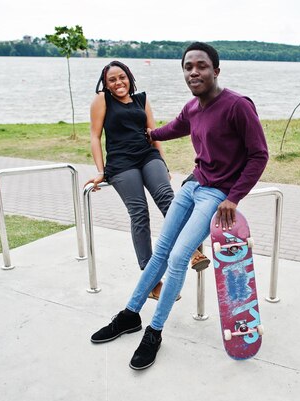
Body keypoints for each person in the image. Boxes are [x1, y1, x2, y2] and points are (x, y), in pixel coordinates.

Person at [90, 42, 269, 370]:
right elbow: (171, 128)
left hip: (216, 195)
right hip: (192, 186)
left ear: (215, 70)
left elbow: (259, 155)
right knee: (160, 253)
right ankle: (130, 314)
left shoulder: (237, 106)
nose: (194, 72)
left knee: (177, 257)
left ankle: (154, 331)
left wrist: (234, 197)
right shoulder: (193, 108)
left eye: (201, 66)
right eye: (188, 67)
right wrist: (145, 134)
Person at [86, 61, 209, 300]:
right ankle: (152, 281)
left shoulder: (141, 99)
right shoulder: (102, 100)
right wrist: (101, 171)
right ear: (106, 84)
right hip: (121, 163)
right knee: (140, 213)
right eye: (112, 80)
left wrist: (163, 162)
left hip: (147, 155)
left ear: (129, 78)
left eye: (122, 77)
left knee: (168, 199)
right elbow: (94, 136)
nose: (118, 82)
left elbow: (153, 133)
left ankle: (192, 250)